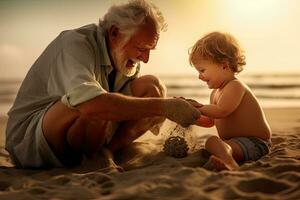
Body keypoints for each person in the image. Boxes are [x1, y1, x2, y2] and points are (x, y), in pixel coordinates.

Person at [5, 0, 201, 168]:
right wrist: (166, 107)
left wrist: (176, 104)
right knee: (95, 102)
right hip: (30, 142)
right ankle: (92, 157)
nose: (146, 58)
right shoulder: (75, 43)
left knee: (153, 87)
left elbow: (133, 107)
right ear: (114, 32)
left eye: (150, 50)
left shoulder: (125, 57)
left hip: (83, 137)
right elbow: (92, 105)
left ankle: (105, 153)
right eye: (142, 48)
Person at [188, 32, 272, 171]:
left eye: (202, 70)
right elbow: (209, 121)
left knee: (213, 142)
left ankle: (230, 163)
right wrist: (189, 114)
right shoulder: (215, 93)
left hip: (255, 143)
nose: (199, 76)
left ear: (224, 65)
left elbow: (222, 111)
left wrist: (197, 106)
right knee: (212, 142)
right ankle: (227, 157)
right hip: (235, 143)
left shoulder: (235, 86)